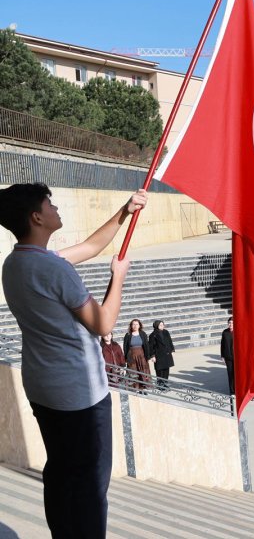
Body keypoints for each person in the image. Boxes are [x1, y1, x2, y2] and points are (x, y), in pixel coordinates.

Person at [0, 183, 146, 537]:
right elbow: (104, 324)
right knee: (90, 486)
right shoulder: (54, 269)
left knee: (61, 472)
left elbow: (92, 246)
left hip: (43, 387)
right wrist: (118, 277)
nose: (55, 208)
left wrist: (125, 211)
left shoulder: (16, 262)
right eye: (49, 204)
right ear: (37, 217)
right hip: (79, 394)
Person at [122, 319, 152, 389]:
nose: (135, 326)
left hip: (141, 356)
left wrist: (148, 357)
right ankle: (135, 387)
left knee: (142, 371)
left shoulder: (143, 334)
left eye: (136, 324)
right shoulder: (128, 335)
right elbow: (125, 347)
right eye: (133, 324)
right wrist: (126, 358)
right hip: (131, 357)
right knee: (133, 371)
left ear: (139, 325)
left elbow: (146, 346)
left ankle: (143, 387)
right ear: (131, 326)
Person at [147, 320, 175, 390]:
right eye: (161, 325)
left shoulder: (166, 332)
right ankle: (160, 385)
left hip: (167, 354)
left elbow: (170, 341)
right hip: (158, 355)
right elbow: (151, 346)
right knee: (160, 370)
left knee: (166, 370)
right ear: (156, 326)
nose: (162, 326)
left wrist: (172, 350)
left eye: (163, 325)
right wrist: (152, 356)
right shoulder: (153, 335)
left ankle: (165, 384)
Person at [220, 317, 235, 395]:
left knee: (237, 375)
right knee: (230, 374)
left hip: (236, 358)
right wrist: (222, 356)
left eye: (232, 323)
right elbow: (222, 344)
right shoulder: (225, 332)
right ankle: (232, 392)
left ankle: (238, 390)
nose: (230, 324)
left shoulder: (237, 332)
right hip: (228, 357)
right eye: (229, 323)